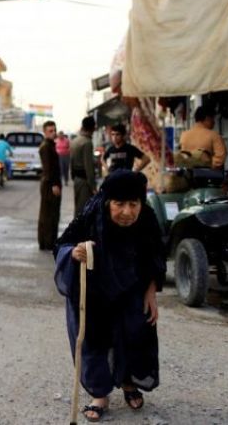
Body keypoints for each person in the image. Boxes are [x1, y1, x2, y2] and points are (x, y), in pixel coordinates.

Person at [54, 170, 165, 422]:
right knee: (95, 339)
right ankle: (99, 394)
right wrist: (74, 253)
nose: (127, 212)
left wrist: (151, 291)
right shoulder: (92, 216)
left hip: (133, 288)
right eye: (119, 204)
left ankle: (128, 383)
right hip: (95, 291)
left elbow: (155, 255)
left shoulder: (146, 218)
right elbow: (62, 245)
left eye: (133, 204)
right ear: (107, 202)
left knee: (136, 332)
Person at [38, 120, 62, 250]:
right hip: (49, 185)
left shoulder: (50, 145)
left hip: (50, 183)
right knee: (49, 215)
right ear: (45, 132)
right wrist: (54, 185)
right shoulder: (46, 146)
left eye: (54, 130)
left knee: (50, 213)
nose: (53, 133)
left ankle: (48, 241)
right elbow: (48, 168)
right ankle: (48, 242)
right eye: (50, 131)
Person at [71, 116, 97, 217]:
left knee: (78, 207)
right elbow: (89, 167)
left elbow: (71, 162)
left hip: (77, 179)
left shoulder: (75, 141)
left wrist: (73, 177)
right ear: (93, 128)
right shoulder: (87, 143)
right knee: (83, 210)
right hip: (84, 181)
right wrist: (93, 186)